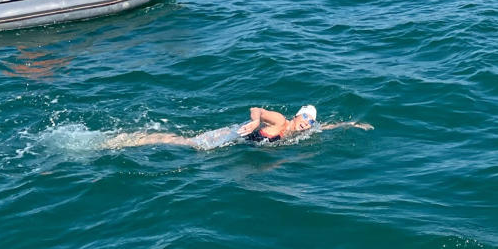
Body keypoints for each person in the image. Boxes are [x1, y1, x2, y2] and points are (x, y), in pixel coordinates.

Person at [102, 105, 372, 150]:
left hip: (240, 144)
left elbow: (329, 126)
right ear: (297, 114)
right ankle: (132, 139)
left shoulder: (303, 132)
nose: (307, 124)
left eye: (311, 122)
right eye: (305, 118)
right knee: (190, 143)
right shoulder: (280, 121)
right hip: (234, 134)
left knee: (191, 144)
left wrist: (353, 123)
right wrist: (256, 120)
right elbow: (257, 109)